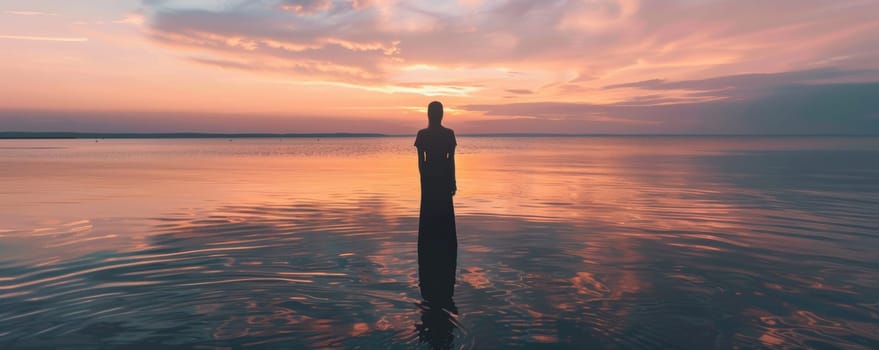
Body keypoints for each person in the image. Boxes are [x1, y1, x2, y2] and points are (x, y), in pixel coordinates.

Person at [414, 101, 458, 308]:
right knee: (444, 217)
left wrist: (424, 179)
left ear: (429, 114)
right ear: (441, 114)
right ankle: (443, 245)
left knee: (430, 216)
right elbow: (451, 161)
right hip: (442, 179)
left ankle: (430, 246)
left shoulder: (423, 135)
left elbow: (421, 162)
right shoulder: (448, 134)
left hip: (430, 180)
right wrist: (452, 180)